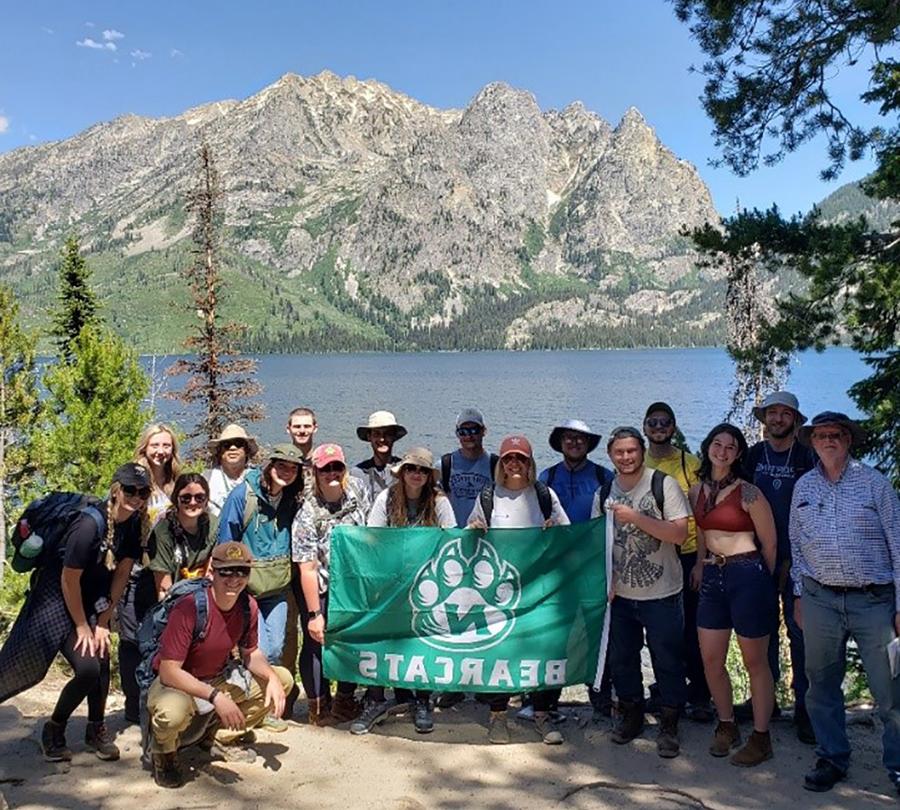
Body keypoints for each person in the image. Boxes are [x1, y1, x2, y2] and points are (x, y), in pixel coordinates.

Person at [0, 463, 148, 762]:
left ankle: (94, 728)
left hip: (93, 598)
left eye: (143, 491)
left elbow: (122, 573)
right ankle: (54, 729)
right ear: (116, 490)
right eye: (130, 490)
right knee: (60, 667)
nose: (136, 496)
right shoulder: (89, 525)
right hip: (55, 598)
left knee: (100, 658)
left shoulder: (132, 523)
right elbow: (69, 579)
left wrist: (104, 620)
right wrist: (82, 626)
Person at [790, 412, 900, 794]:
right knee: (820, 685)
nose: (828, 440)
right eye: (820, 436)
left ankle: (898, 767)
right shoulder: (804, 487)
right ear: (813, 442)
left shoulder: (875, 484)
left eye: (836, 434)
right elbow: (796, 545)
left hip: (873, 600)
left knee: (890, 689)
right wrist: (800, 595)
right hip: (819, 597)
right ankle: (832, 756)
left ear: (849, 440)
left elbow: (898, 546)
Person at [146, 541, 294, 788]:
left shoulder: (248, 606)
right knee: (172, 713)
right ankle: (164, 753)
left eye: (241, 571)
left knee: (284, 679)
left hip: (216, 678)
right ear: (212, 572)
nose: (234, 579)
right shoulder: (190, 607)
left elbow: (251, 654)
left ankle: (214, 735)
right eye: (226, 571)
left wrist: (272, 678)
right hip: (178, 683)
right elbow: (169, 671)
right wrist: (216, 697)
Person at [591, 426, 690, 758]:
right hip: (621, 596)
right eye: (619, 452)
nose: (626, 457)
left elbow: (678, 533)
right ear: (610, 455)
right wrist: (605, 582)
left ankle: (669, 723)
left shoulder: (664, 485)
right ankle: (631, 716)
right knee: (622, 660)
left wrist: (635, 517)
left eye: (632, 450)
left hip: (662, 593)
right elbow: (597, 543)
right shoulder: (604, 492)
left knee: (668, 659)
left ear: (642, 451)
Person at [468, 434, 570, 745]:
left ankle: (541, 712)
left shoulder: (543, 494)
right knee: (499, 650)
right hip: (499, 589)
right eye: (508, 458)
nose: (514, 464)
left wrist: (555, 532)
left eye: (521, 459)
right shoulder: (488, 496)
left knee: (540, 648)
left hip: (537, 588)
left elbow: (568, 535)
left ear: (530, 464)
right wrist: (474, 531)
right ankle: (498, 715)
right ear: (500, 464)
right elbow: (469, 537)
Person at [689, 423, 778, 767]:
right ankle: (726, 724)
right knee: (711, 659)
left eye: (730, 446)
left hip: (747, 573)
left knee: (755, 661)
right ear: (708, 447)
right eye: (717, 444)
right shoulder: (698, 490)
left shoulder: (749, 493)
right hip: (712, 574)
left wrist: (762, 582)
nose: (722, 451)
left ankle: (761, 735)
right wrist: (699, 565)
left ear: (739, 453)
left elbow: (769, 542)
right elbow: (701, 531)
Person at [358, 447, 456, 735]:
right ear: (402, 473)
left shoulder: (439, 501)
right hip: (390, 582)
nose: (416, 474)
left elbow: (452, 535)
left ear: (429, 476)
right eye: (411, 469)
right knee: (381, 638)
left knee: (422, 640)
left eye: (423, 470)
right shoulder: (386, 498)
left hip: (426, 583)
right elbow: (371, 537)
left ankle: (422, 699)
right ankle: (376, 698)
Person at [741, 391, 817, 742]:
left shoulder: (808, 456)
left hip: (801, 560)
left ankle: (806, 708)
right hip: (758, 559)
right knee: (762, 633)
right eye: (772, 413)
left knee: (800, 635)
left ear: (795, 420)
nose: (778, 419)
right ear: (765, 419)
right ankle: (765, 702)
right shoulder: (754, 456)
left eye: (785, 414)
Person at [539, 418, 614, 719]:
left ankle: (600, 697)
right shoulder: (547, 476)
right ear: (560, 443)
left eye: (580, 439)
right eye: (568, 438)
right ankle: (546, 700)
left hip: (593, 568)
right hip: (558, 571)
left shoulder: (602, 475)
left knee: (595, 632)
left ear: (588, 444)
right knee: (555, 634)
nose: (574, 443)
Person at [291, 443, 371, 726]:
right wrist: (314, 614)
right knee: (316, 642)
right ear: (316, 472)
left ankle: (344, 702)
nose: (332, 473)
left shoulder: (359, 491)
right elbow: (307, 567)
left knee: (351, 641)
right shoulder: (307, 513)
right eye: (325, 469)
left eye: (337, 467)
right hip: (322, 586)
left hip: (354, 586)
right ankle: (318, 706)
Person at [642, 402, 711, 722]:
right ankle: (667, 690)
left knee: (693, 629)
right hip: (652, 558)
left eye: (664, 422)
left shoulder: (690, 463)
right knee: (660, 630)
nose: (658, 427)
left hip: (685, 556)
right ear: (644, 427)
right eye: (652, 422)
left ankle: (700, 694)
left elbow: (703, 517)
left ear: (673, 427)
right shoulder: (634, 461)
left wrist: (700, 562)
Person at [218, 445, 304, 675]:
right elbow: (226, 542)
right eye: (281, 466)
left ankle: (265, 703)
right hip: (247, 590)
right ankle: (254, 704)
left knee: (276, 649)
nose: (286, 472)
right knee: (258, 651)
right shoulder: (243, 496)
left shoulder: (292, 499)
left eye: (293, 468)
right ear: (269, 465)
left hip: (277, 588)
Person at [118, 424, 182, 722]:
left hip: (168, 570)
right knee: (132, 638)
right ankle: (134, 703)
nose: (161, 451)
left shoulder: (175, 482)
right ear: (144, 447)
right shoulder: (134, 479)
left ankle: (156, 697)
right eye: (155, 445)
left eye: (166, 446)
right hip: (136, 569)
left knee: (161, 635)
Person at [148, 473, 219, 596]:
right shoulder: (163, 531)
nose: (192, 503)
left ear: (207, 500)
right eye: (186, 498)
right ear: (176, 499)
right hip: (171, 597)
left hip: (203, 595)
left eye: (199, 498)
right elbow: (163, 588)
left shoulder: (213, 525)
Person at [441, 407, 498, 528]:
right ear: (457, 434)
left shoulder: (496, 464)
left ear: (484, 431)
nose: (469, 436)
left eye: (474, 430)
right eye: (463, 432)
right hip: (454, 536)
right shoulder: (445, 464)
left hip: (486, 536)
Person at [204, 424, 258, 518]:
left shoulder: (257, 478)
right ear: (219, 451)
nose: (232, 448)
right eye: (226, 445)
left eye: (238, 444)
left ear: (247, 450)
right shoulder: (206, 479)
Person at [351, 410, 407, 502]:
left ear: (394, 437)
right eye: (377, 434)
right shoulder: (358, 473)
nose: (382, 439)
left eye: (387, 434)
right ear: (369, 437)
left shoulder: (405, 469)